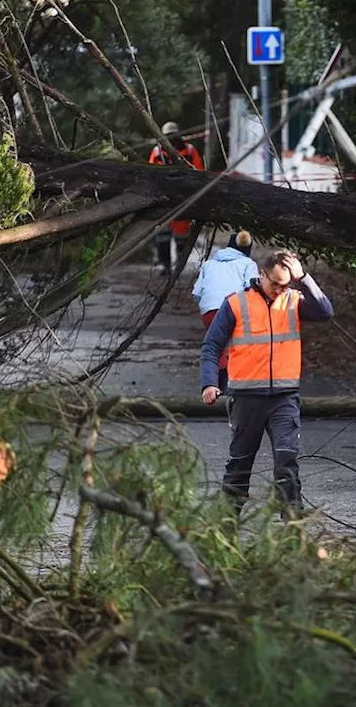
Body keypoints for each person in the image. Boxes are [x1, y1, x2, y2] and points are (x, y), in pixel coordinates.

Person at [200, 250, 334, 517]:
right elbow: (211, 345)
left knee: (286, 463)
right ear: (261, 275)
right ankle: (226, 525)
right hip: (246, 398)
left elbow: (325, 311)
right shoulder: (236, 304)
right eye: (274, 283)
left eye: (284, 284)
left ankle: (292, 526)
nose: (278, 289)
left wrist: (304, 278)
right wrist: (209, 383)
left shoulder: (293, 300)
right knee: (239, 465)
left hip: (284, 399)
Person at [192, 230, 258, 391]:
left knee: (216, 348)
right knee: (235, 348)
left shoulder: (209, 264)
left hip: (209, 311)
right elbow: (252, 290)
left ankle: (214, 386)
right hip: (235, 309)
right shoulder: (248, 264)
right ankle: (232, 386)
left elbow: (196, 292)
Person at [148, 121, 203, 275]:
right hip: (163, 200)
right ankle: (165, 266)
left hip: (183, 199)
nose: (171, 139)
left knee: (181, 237)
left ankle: (179, 265)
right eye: (168, 136)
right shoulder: (157, 151)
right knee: (162, 236)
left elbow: (199, 172)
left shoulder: (190, 150)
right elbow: (151, 173)